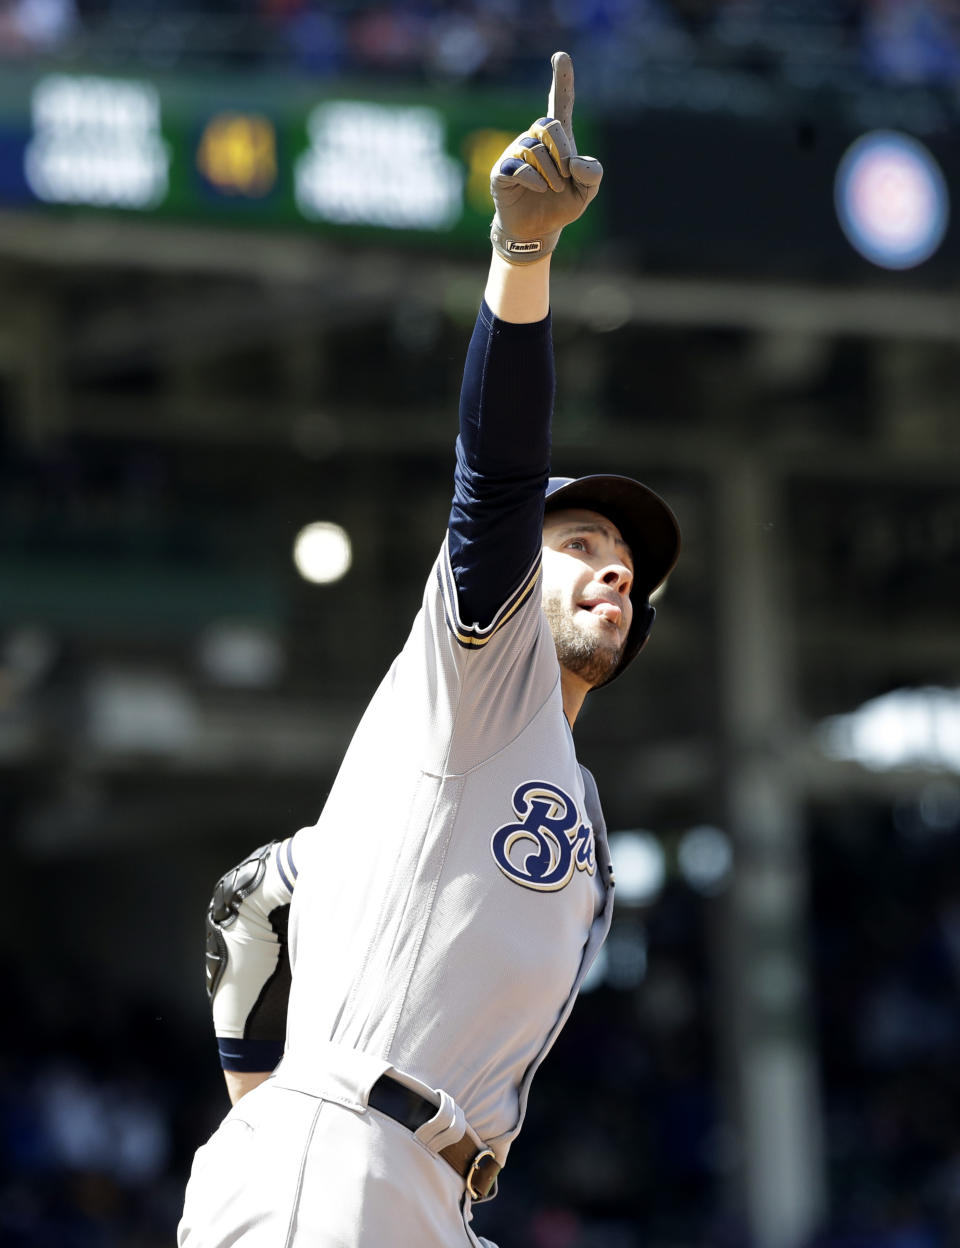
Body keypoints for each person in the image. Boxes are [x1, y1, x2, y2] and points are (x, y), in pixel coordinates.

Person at [179, 51, 680, 1248]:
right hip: (341, 1161)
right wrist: (524, 256)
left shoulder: (549, 788)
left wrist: (267, 1102)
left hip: (429, 1191)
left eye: (628, 557)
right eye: (582, 539)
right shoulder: (477, 682)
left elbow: (252, 894)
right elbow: (499, 472)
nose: (613, 564)